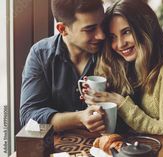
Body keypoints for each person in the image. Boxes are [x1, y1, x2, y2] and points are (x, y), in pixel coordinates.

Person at [82, 0, 163, 156]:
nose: (120, 44)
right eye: (112, 37)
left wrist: (120, 103)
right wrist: (100, 104)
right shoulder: (127, 64)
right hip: (143, 150)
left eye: (126, 32)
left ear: (145, 28)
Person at [20, 0, 106, 133]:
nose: (101, 35)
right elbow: (29, 116)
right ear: (62, 29)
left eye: (103, 24)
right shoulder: (40, 54)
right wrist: (79, 118)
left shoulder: (112, 49)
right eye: (90, 29)